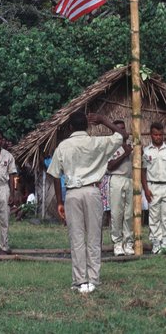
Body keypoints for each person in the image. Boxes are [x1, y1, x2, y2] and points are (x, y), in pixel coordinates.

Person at [47, 111, 127, 294]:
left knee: (76, 237)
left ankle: (80, 280)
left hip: (73, 193)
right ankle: (94, 279)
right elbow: (123, 136)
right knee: (94, 237)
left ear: (70, 127)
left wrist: (60, 201)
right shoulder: (97, 142)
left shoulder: (63, 146)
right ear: (88, 126)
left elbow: (54, 174)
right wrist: (104, 120)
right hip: (92, 191)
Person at [107, 120, 134, 256]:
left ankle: (128, 242)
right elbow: (109, 166)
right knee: (117, 213)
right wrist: (124, 153)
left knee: (129, 214)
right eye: (119, 130)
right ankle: (117, 244)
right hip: (116, 179)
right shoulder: (111, 146)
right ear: (113, 131)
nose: (122, 132)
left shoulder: (131, 144)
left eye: (123, 129)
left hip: (130, 179)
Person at [142, 122, 166, 254]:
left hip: (165, 185)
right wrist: (145, 189)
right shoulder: (146, 151)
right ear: (151, 135)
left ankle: (165, 242)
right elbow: (143, 171)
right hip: (153, 186)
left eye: (160, 134)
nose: (158, 137)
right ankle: (156, 242)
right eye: (155, 134)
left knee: (165, 216)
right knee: (154, 216)